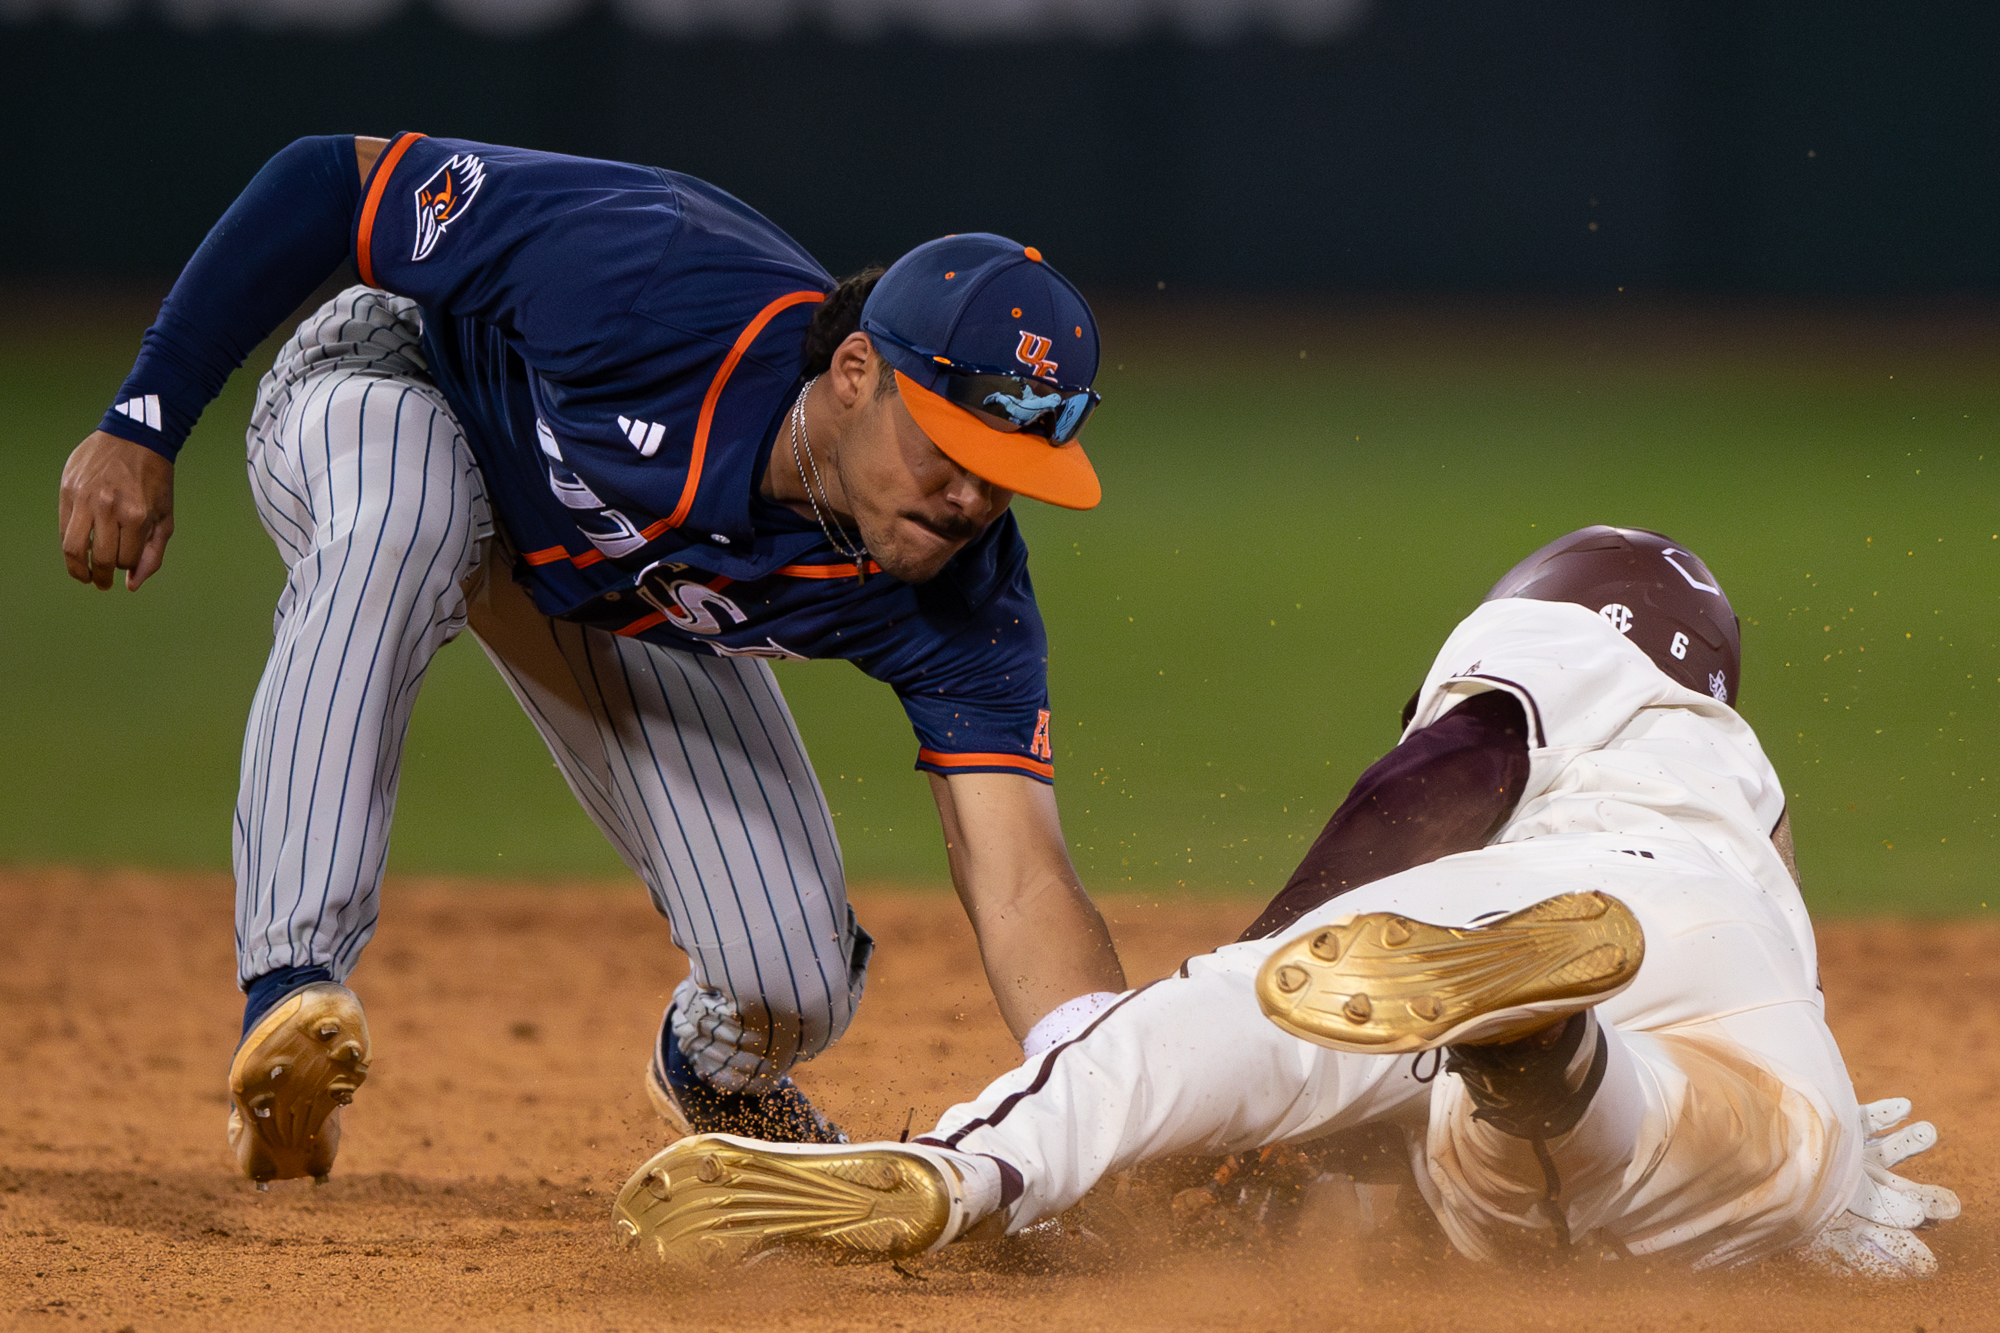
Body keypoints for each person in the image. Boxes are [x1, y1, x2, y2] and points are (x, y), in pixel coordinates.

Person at [57, 133, 1130, 1184]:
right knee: (406, 519)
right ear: (856, 372)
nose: (971, 497)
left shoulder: (961, 577)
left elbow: (1023, 881)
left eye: (1007, 472)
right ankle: (292, 984)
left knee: (790, 977)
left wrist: (1122, 1111)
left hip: (607, 586)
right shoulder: (650, 276)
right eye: (953, 448)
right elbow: (331, 180)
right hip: (400, 386)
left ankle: (716, 1080)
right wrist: (143, 420)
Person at [609, 526, 1959, 1277]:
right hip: (1751, 1008)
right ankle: (1548, 1054)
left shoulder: (1568, 643)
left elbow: (1442, 777)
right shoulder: (1744, 789)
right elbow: (1776, 999)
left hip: (1552, 892)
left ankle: (968, 1169)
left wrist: (1266, 970)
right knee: (1676, 1162)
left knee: (1222, 1030)